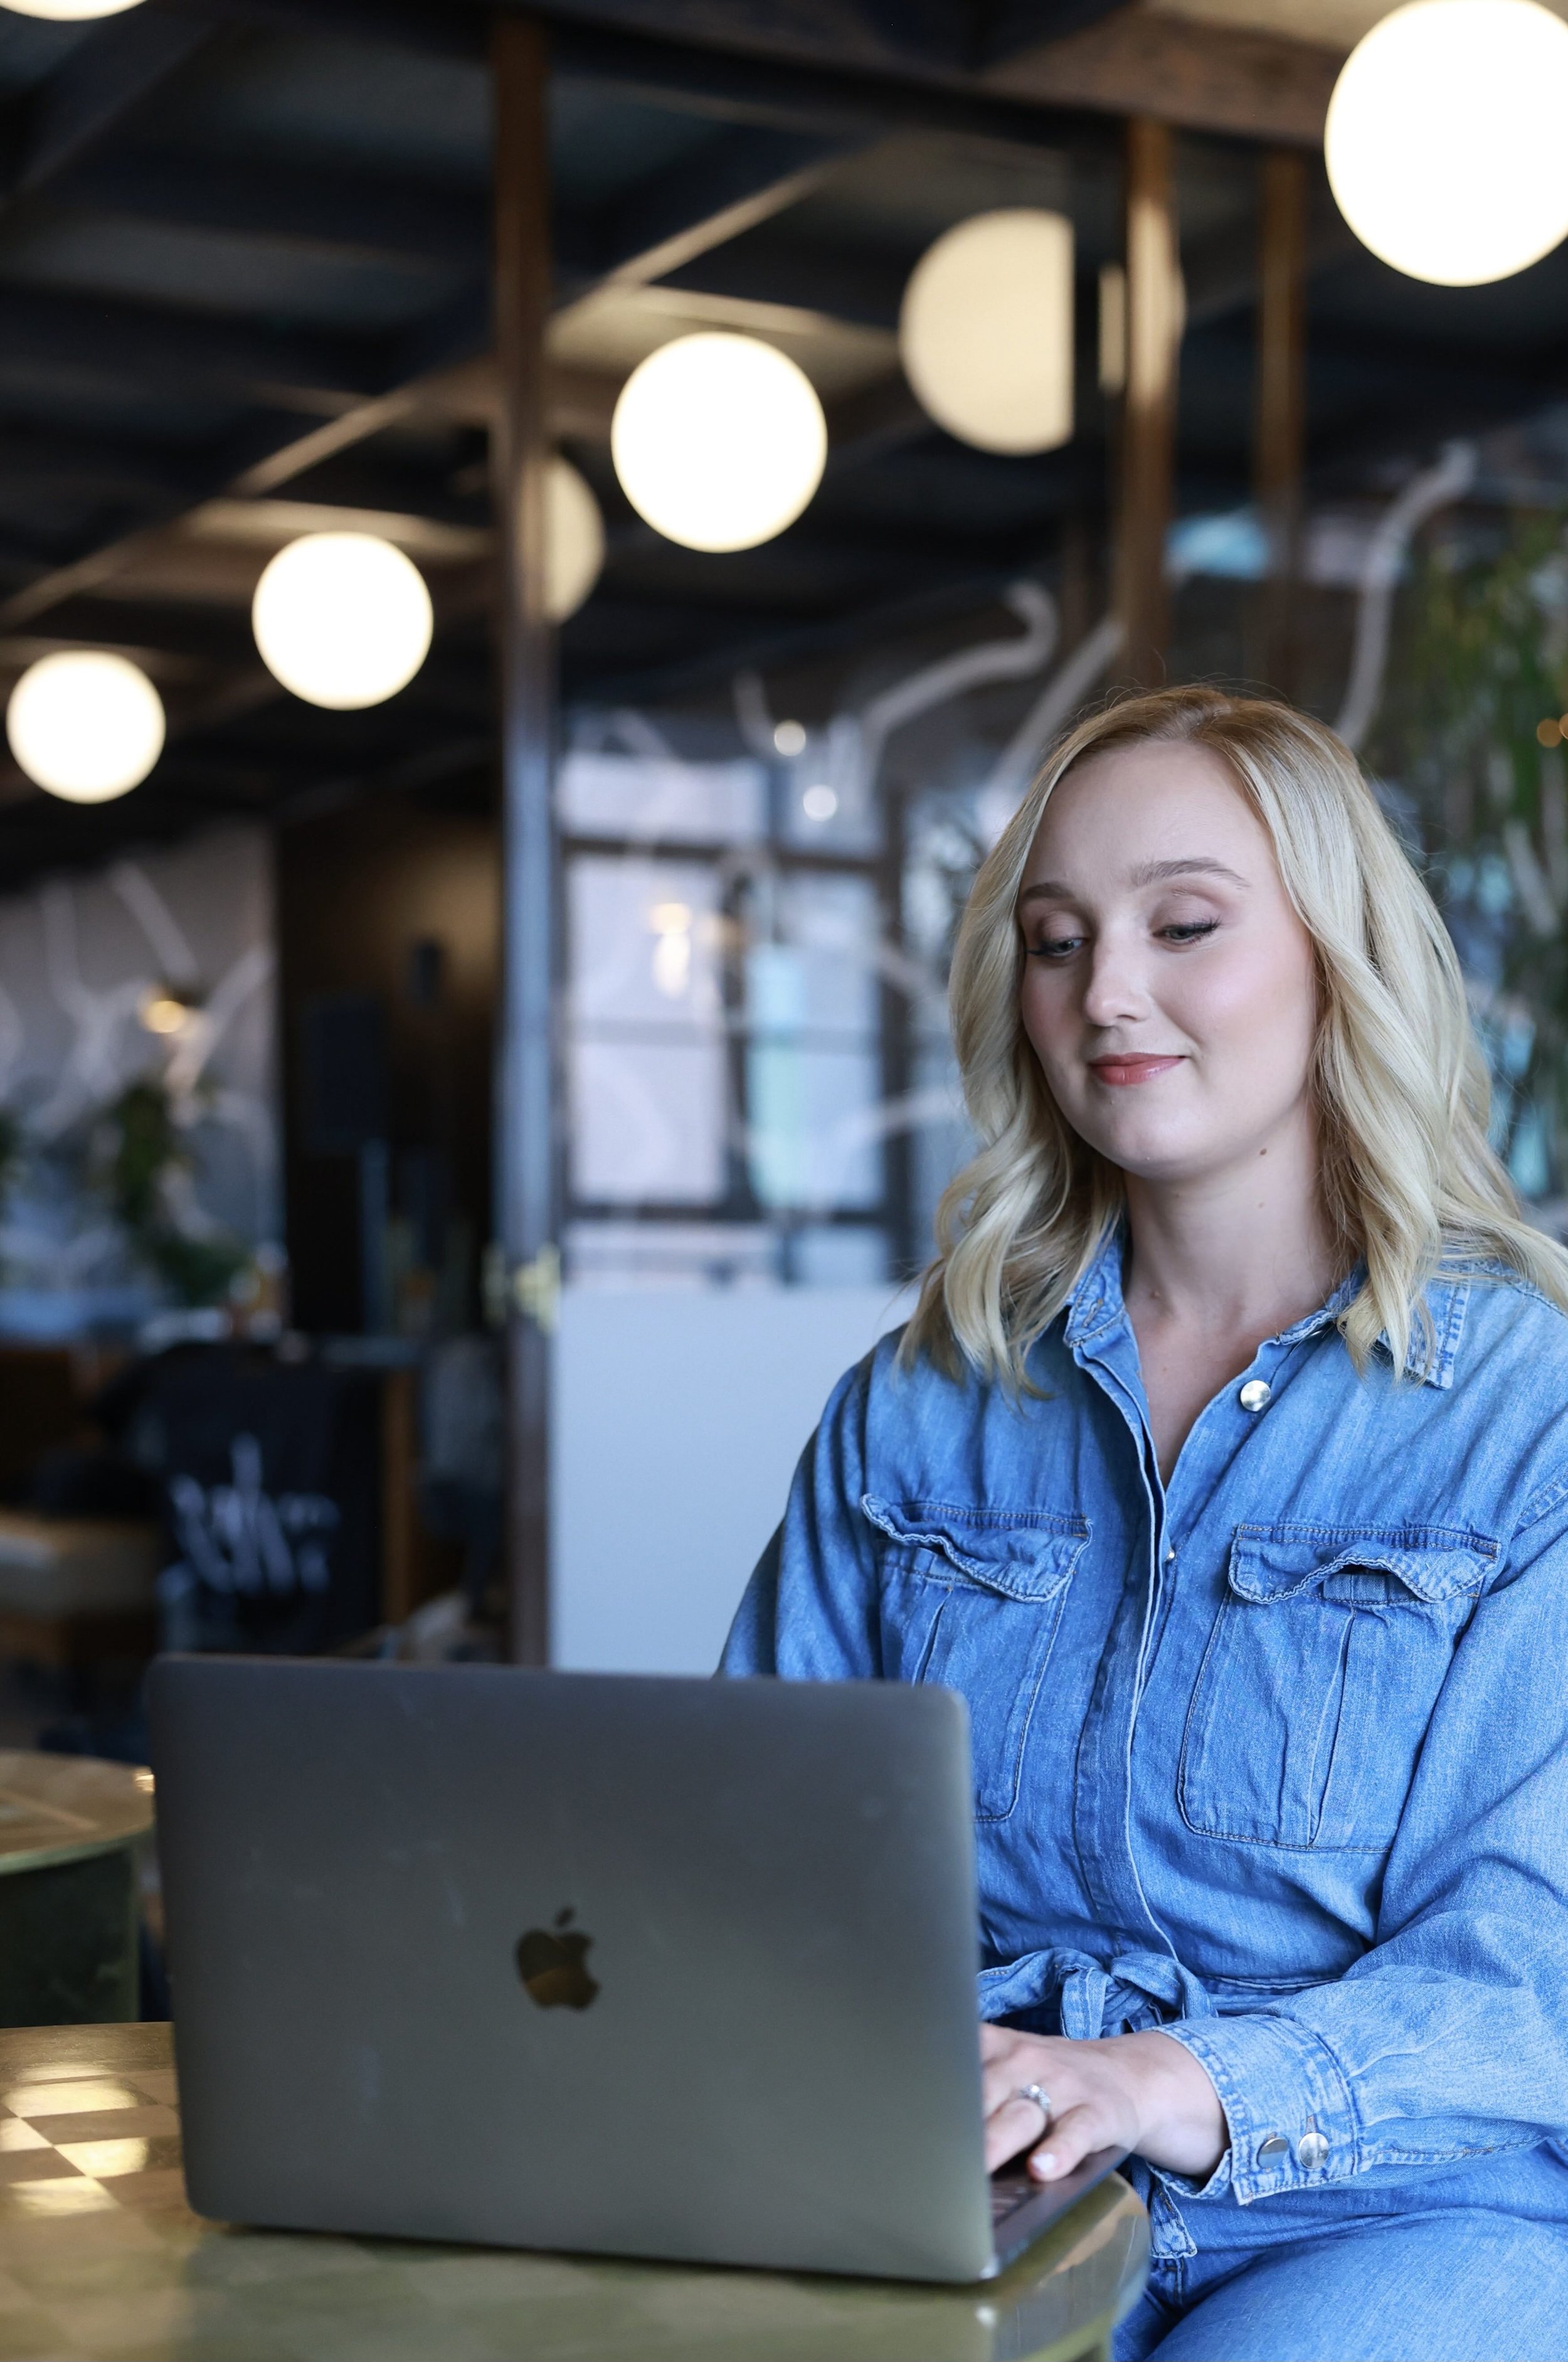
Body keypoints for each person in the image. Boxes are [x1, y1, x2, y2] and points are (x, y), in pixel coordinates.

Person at [721, 686, 1568, 2362]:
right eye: (1054, 942)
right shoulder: (921, 1401)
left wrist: (1159, 2080)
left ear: (1339, 958)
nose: (1106, 994)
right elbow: (761, 1857)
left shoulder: (1528, 1415)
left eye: (1183, 924)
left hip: (1400, 2200)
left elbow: (1528, 1975)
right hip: (978, 2175)